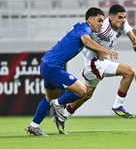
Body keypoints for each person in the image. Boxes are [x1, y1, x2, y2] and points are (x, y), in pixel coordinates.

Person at [25, 7, 118, 136]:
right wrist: (105, 50)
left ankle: (34, 126)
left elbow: (86, 42)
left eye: (103, 21)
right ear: (90, 19)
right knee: (82, 91)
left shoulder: (81, 28)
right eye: (99, 20)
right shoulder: (85, 29)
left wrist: (98, 51)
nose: (101, 24)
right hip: (52, 67)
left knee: (49, 98)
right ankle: (58, 104)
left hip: (47, 64)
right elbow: (86, 41)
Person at [51, 4, 136, 133]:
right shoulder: (102, 28)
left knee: (87, 94)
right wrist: (100, 51)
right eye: (120, 17)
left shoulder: (122, 23)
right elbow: (86, 42)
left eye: (124, 17)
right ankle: (117, 106)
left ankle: (62, 117)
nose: (123, 20)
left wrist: (135, 43)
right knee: (129, 71)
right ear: (111, 18)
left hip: (100, 61)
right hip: (95, 62)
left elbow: (131, 34)